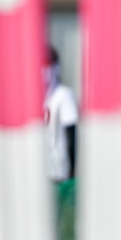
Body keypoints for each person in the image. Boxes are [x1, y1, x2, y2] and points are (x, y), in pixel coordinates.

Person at [44, 45, 78, 183]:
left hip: (60, 173)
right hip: (42, 172)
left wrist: (72, 172)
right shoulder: (38, 98)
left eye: (48, 66)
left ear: (56, 68)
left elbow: (72, 135)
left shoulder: (63, 95)